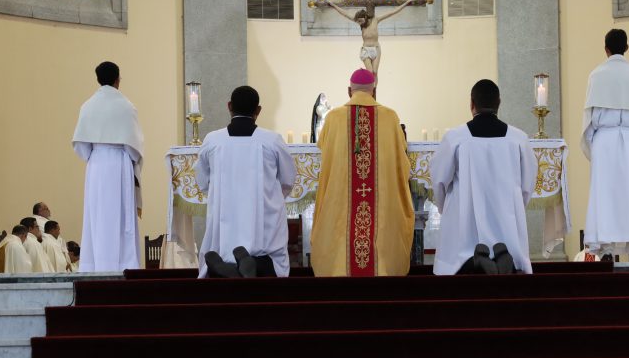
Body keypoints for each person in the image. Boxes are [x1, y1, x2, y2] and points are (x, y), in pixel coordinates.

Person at [312, 69, 415, 277]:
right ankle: (382, 269)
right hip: (381, 201)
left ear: (349, 91)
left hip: (342, 196)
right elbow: (402, 161)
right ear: (374, 92)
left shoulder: (333, 117)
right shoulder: (389, 116)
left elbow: (323, 147)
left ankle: (339, 268)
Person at [430, 79, 537, 276]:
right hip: (506, 215)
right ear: (499, 103)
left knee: (459, 239)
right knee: (509, 234)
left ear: (472, 104)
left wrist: (446, 207)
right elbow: (527, 186)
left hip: (466, 218)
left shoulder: (456, 137)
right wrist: (515, 205)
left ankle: (471, 260)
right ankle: (505, 256)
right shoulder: (518, 138)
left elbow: (439, 180)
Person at [196, 86, 298, 279]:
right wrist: (271, 196)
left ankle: (226, 265)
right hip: (263, 219)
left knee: (221, 246)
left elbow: (202, 181)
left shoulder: (213, 140)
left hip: (224, 215)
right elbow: (287, 180)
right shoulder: (271, 140)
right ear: (258, 110)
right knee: (270, 256)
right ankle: (257, 263)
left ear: (229, 106)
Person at [580, 29, 629, 263]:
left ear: (606, 49)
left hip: (604, 141)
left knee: (606, 196)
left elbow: (589, 119)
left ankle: (605, 252)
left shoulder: (597, 75)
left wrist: (595, 143)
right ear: (627, 47)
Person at [73, 61, 144, 272]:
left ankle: (95, 265)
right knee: (121, 217)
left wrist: (95, 154)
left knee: (97, 215)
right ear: (117, 79)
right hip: (119, 163)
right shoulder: (126, 106)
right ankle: (124, 264)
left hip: (96, 164)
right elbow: (135, 147)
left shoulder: (88, 106)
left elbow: (81, 147)